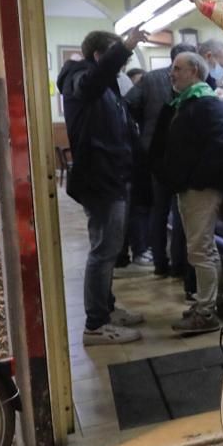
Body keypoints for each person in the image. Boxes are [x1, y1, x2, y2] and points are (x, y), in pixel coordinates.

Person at [57, 28, 147, 345]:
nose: (121, 66)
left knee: (108, 250)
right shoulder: (79, 78)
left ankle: (105, 310)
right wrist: (124, 46)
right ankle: (96, 325)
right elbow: (94, 82)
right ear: (99, 56)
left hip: (113, 176)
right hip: (100, 178)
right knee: (103, 252)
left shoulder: (103, 86)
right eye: (115, 58)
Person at [156, 51, 223, 334]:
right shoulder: (187, 102)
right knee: (204, 249)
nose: (171, 73)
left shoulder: (206, 103)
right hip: (191, 185)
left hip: (201, 188)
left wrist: (194, 181)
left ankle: (207, 312)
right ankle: (209, 303)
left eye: (177, 68)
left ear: (195, 72)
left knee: (200, 250)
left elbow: (218, 148)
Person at [126, 43, 196, 281]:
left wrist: (145, 123)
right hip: (180, 154)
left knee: (158, 209)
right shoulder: (192, 81)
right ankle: (178, 264)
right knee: (180, 212)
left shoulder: (150, 78)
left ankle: (159, 263)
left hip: (153, 151)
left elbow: (129, 103)